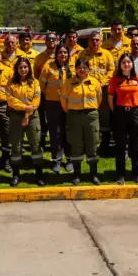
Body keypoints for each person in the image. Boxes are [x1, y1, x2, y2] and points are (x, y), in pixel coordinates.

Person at [61, 59, 102, 185]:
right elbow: (64, 101)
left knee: (92, 145)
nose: (82, 69)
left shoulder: (95, 82)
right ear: (76, 69)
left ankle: (93, 174)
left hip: (91, 116)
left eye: (85, 67)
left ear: (88, 69)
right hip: (74, 117)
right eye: (79, 67)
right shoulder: (68, 83)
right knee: (76, 145)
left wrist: (90, 110)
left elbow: (99, 98)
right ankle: (76, 174)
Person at [5, 57, 43, 187]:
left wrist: (27, 113)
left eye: (25, 67)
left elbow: (37, 100)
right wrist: (25, 108)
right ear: (16, 69)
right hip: (16, 116)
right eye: (20, 67)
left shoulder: (35, 82)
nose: (23, 70)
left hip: (32, 116)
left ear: (29, 68)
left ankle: (39, 175)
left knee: (35, 145)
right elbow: (10, 100)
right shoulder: (11, 83)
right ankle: (16, 175)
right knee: (16, 146)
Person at [108, 53, 138, 185]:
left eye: (129, 62)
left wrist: (136, 106)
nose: (126, 64)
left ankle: (137, 174)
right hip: (120, 113)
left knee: (136, 146)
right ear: (120, 65)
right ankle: (120, 175)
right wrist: (116, 111)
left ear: (132, 64)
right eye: (124, 62)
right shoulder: (115, 80)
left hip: (135, 113)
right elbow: (110, 97)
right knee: (120, 146)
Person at [78, 30, 116, 155]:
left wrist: (103, 82)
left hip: (103, 89)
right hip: (87, 89)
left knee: (104, 115)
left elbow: (111, 70)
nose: (95, 42)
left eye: (97, 39)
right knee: (89, 114)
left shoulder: (107, 54)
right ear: (88, 41)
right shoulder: (82, 54)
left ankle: (105, 140)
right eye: (92, 39)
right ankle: (88, 141)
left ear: (100, 41)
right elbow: (78, 69)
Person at [39, 44, 72, 173]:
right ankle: (56, 161)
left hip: (70, 104)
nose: (63, 55)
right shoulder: (48, 67)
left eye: (65, 53)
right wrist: (49, 94)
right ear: (56, 54)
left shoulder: (73, 68)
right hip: (53, 104)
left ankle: (69, 160)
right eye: (60, 52)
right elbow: (41, 85)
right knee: (55, 133)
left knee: (68, 132)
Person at [34, 32, 59, 152]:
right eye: (49, 39)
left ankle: (57, 141)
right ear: (45, 42)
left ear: (57, 41)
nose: (51, 41)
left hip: (57, 93)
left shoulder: (61, 55)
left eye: (53, 39)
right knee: (42, 117)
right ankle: (42, 140)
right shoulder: (39, 58)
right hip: (42, 92)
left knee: (55, 118)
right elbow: (35, 76)